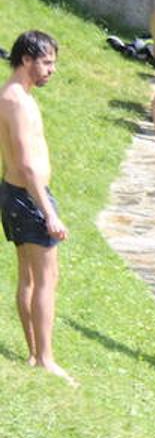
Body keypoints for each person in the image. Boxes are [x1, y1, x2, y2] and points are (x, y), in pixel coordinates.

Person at [0, 31, 74, 385]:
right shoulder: (16, 100)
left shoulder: (15, 95)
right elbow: (28, 164)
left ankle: (34, 353)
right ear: (26, 60)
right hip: (29, 196)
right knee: (46, 279)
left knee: (28, 276)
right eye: (46, 62)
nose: (51, 70)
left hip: (17, 194)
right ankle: (45, 358)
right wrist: (50, 212)